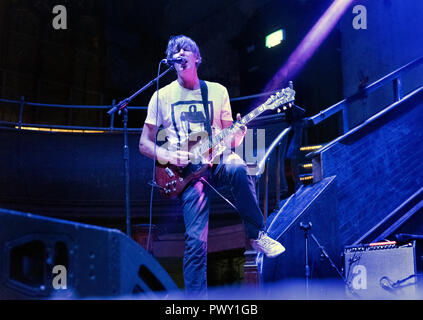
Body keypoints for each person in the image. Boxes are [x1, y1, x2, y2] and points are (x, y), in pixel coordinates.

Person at [139, 35, 285, 296]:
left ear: (196, 58)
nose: (179, 54)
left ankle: (257, 234)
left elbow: (232, 140)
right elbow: (144, 144)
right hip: (184, 173)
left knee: (239, 167)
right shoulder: (160, 97)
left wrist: (239, 133)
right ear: (172, 62)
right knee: (195, 242)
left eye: (185, 50)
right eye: (175, 52)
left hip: (216, 160)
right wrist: (170, 158)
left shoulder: (217, 91)